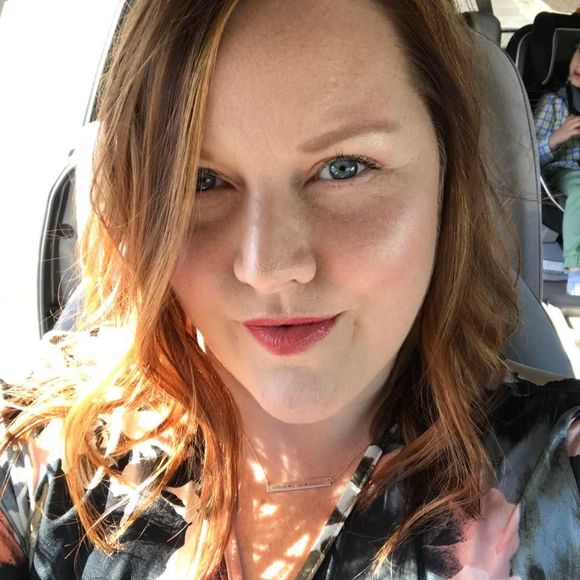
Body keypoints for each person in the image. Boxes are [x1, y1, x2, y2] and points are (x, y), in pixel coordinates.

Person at [0, 1, 579, 578]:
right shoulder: (47, 456)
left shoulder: (559, 477)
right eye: (202, 180)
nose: (268, 267)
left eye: (344, 167)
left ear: (445, 176)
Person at [534, 41, 580, 295]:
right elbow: (527, 158)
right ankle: (576, 267)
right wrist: (558, 136)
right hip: (560, 170)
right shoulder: (553, 103)